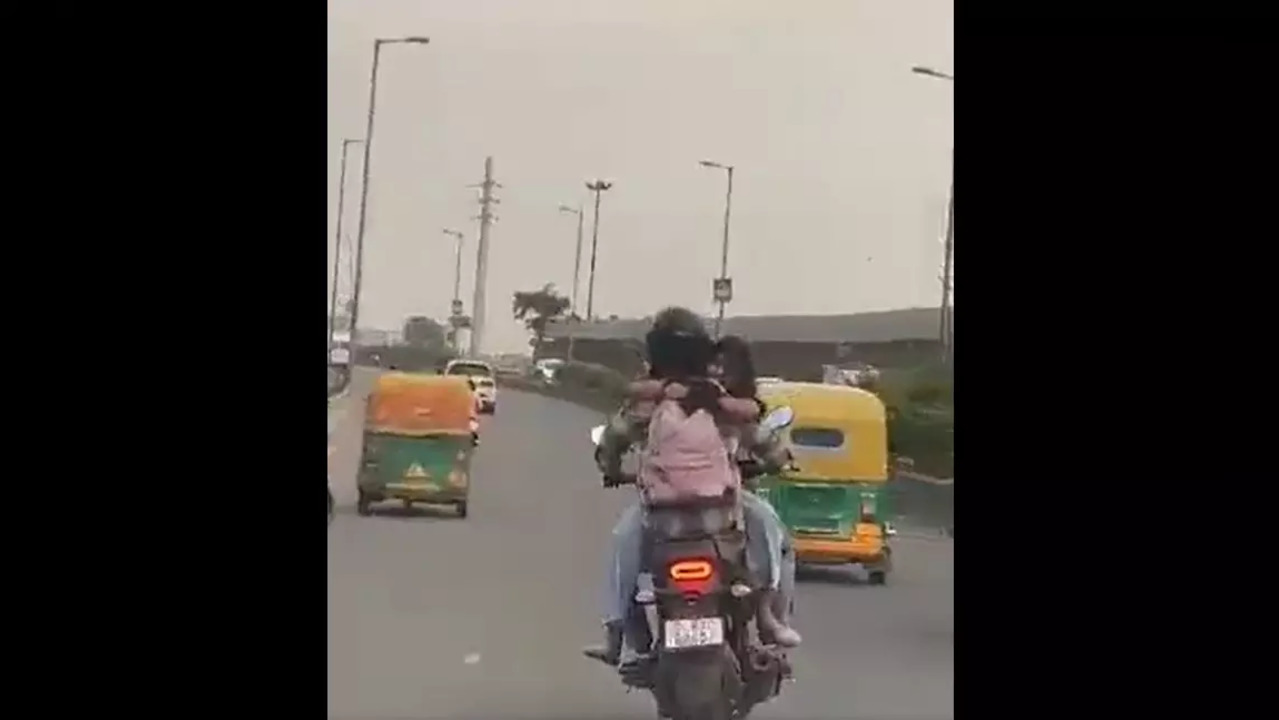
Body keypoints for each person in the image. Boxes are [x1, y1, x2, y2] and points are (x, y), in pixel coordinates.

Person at [710, 335, 801, 648]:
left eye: (725, 367)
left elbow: (763, 441)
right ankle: (621, 629)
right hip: (694, 500)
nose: (719, 373)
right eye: (714, 365)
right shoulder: (681, 401)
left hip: (721, 497)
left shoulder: (740, 411)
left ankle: (767, 615)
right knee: (770, 530)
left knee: (768, 527)